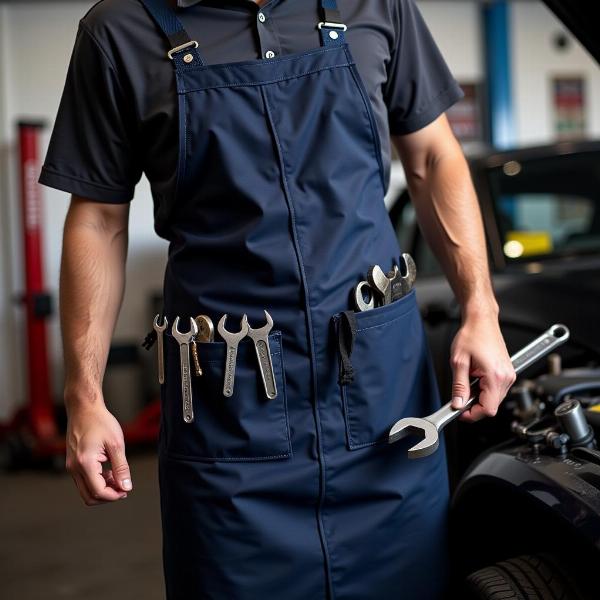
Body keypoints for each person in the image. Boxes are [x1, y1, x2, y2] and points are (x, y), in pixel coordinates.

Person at [38, 0, 516, 598]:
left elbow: (433, 157)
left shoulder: (379, 5)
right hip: (230, 417)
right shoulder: (117, 31)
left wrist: (480, 308)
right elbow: (99, 219)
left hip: (386, 410)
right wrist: (83, 395)